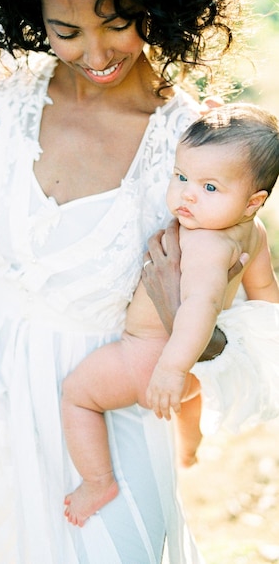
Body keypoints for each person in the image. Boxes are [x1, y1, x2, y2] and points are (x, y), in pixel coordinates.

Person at [0, 0, 274, 563]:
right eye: (66, 30)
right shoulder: (3, 99)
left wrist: (191, 325)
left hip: (109, 424)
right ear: (32, 14)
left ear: (157, 3)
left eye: (117, 22)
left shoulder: (192, 154)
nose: (97, 54)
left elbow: (255, 317)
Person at [61, 102, 279, 527]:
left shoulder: (205, 244)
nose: (187, 194)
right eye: (181, 177)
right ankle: (189, 442)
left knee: (77, 395)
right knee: (186, 400)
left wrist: (171, 368)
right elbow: (264, 291)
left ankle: (97, 480)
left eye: (210, 188)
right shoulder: (253, 233)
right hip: (198, 377)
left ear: (253, 201)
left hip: (148, 358)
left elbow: (196, 306)